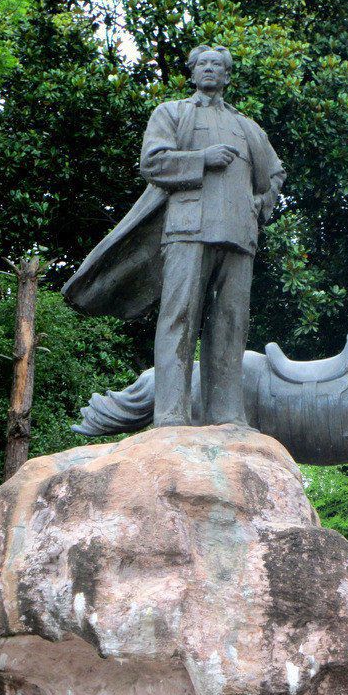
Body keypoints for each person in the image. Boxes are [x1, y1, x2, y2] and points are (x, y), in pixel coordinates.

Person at [62, 45, 285, 426]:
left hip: (238, 236)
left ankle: (227, 415)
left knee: (231, 324)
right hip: (187, 230)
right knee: (179, 317)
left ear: (228, 76)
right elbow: (152, 162)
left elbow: (275, 174)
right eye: (203, 64)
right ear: (193, 73)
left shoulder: (248, 127)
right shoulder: (172, 113)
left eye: (218, 65)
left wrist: (259, 204)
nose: (210, 70)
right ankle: (170, 413)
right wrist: (201, 159)